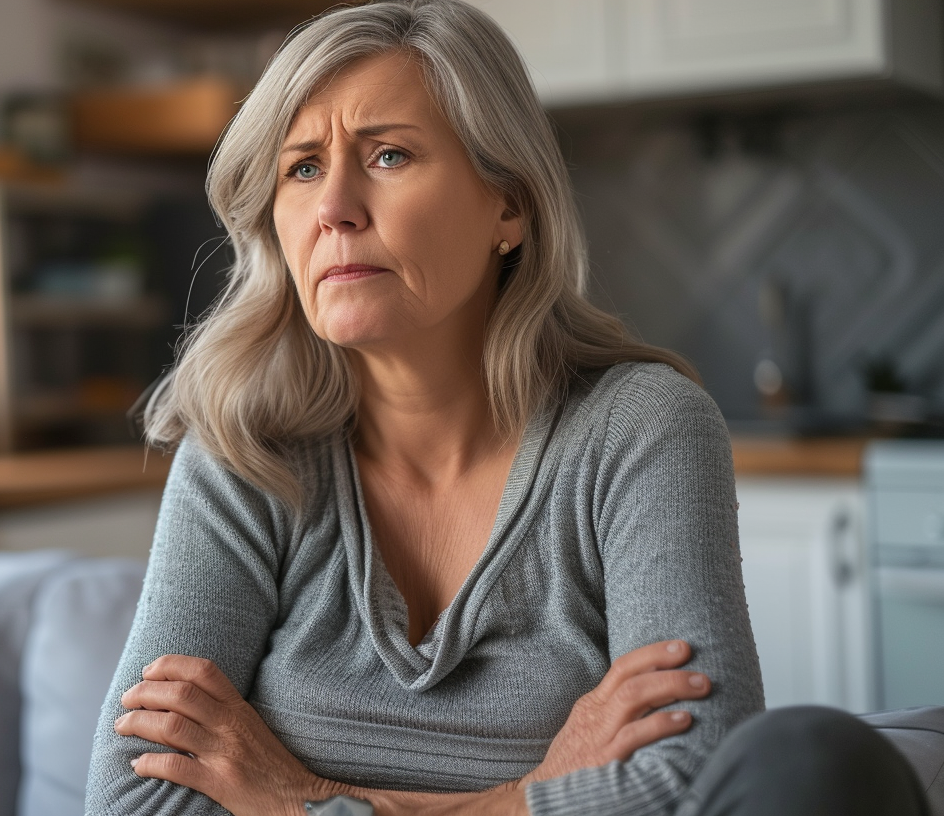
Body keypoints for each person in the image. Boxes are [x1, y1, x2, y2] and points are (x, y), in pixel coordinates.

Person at [84, 2, 928, 815]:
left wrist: (301, 803)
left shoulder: (641, 427)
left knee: (818, 757)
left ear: (509, 206)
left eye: (387, 156)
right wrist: (532, 797)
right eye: (302, 168)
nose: (334, 207)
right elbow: (132, 800)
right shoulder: (244, 455)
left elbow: (695, 772)